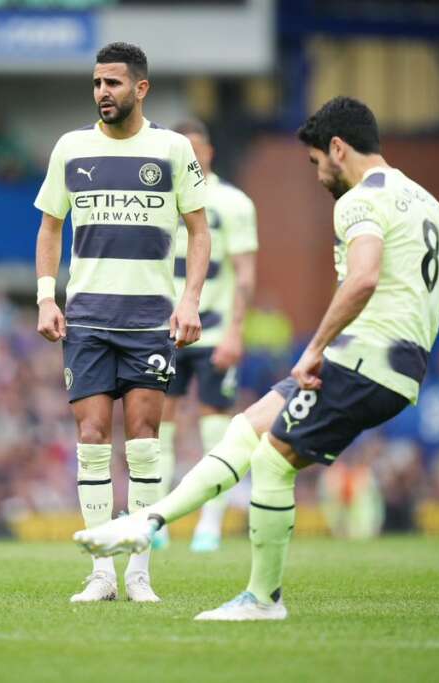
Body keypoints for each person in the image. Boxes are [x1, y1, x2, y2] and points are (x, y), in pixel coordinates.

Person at [74, 96, 439, 619]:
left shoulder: (358, 201)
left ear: (338, 148)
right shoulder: (423, 202)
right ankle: (146, 523)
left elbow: (363, 277)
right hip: (382, 365)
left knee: (271, 460)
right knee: (245, 429)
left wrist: (315, 348)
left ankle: (261, 599)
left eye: (316, 161)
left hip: (365, 360)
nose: (318, 173)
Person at [35, 42, 211, 602]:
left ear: (141, 88)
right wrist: (45, 298)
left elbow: (199, 230)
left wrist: (190, 300)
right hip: (87, 319)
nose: (102, 92)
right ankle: (101, 574)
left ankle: (139, 573)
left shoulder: (173, 148)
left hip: (148, 320)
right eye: (96, 83)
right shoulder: (71, 148)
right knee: (90, 438)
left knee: (143, 441)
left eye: (112, 83)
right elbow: (49, 227)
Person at [155, 119, 258, 553]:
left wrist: (236, 331)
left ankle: (210, 525)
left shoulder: (233, 203)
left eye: (197, 149)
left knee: (215, 429)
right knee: (157, 429)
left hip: (215, 332)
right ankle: (156, 523)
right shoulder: (159, 198)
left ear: (210, 152)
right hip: (164, 331)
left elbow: (246, 274)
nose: (192, 158)